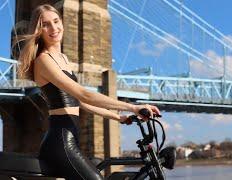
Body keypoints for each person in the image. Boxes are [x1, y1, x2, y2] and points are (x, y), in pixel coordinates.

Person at [14, 4, 160, 180]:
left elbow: (80, 102)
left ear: (62, 22)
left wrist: (119, 117)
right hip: (61, 140)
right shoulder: (43, 60)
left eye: (56, 21)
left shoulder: (63, 59)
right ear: (39, 30)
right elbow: (84, 94)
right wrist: (133, 107)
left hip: (69, 137)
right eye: (45, 24)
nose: (53, 28)